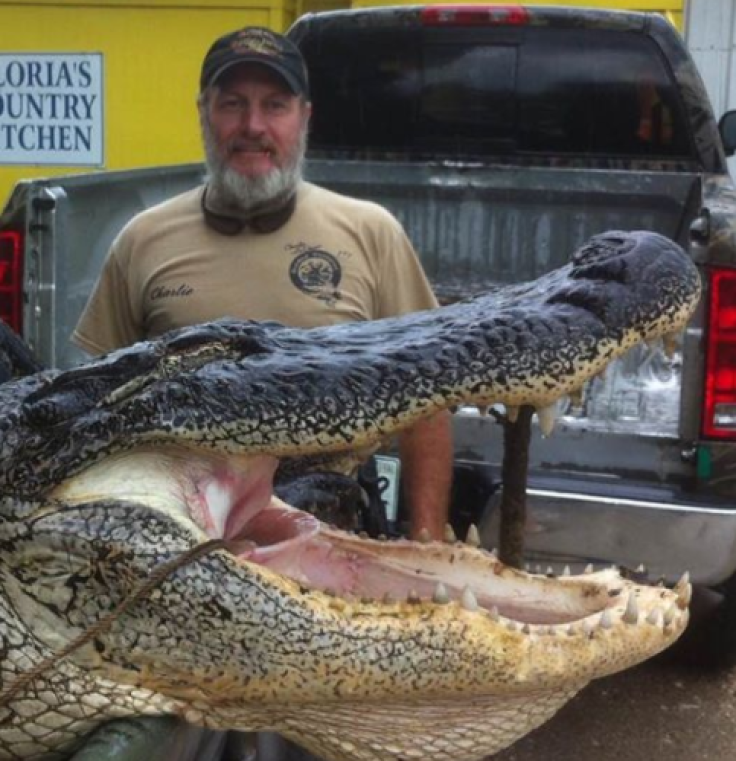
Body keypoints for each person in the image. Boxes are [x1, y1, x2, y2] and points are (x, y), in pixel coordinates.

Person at [73, 25, 452, 542]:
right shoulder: (142, 240)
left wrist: (427, 545)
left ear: (305, 118)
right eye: (233, 104)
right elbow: (96, 407)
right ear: (203, 110)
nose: (252, 125)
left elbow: (426, 404)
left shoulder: (371, 233)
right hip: (180, 541)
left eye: (275, 105)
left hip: (333, 536)